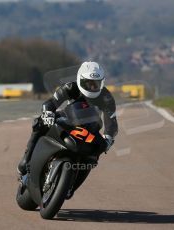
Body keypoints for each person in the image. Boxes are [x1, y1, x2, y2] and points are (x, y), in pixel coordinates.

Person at [17, 62, 118, 197]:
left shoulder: (107, 97)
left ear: (102, 82)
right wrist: (48, 113)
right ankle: (26, 159)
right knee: (39, 122)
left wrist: (108, 138)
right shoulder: (70, 87)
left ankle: (72, 185)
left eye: (96, 83)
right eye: (88, 83)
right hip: (68, 119)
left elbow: (111, 121)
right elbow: (51, 102)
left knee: (96, 152)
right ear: (80, 79)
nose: (92, 87)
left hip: (90, 128)